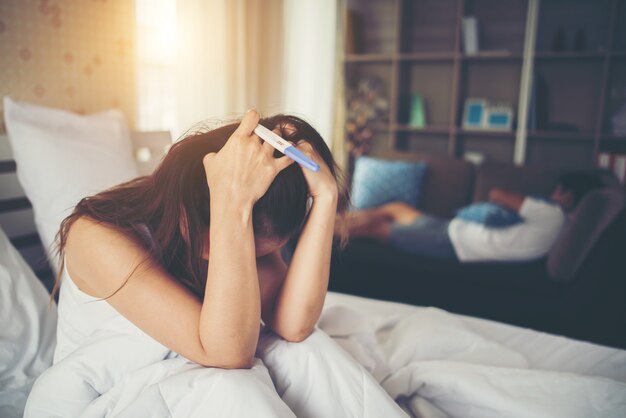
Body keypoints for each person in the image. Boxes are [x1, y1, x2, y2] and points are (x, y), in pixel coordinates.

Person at [25, 110, 408, 417]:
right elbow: (227, 355)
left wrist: (325, 196)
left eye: (260, 252)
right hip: (108, 389)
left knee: (308, 352)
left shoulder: (251, 215)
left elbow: (293, 325)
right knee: (232, 388)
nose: (227, 249)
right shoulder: (96, 235)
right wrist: (233, 206)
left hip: (203, 358)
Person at [340, 172, 603, 263]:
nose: (553, 192)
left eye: (558, 189)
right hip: (454, 230)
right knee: (395, 207)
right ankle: (334, 220)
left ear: (567, 195)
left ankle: (322, 229)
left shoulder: (551, 214)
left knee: (377, 227)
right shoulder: (562, 226)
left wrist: (525, 203)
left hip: (454, 243)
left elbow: (497, 194)